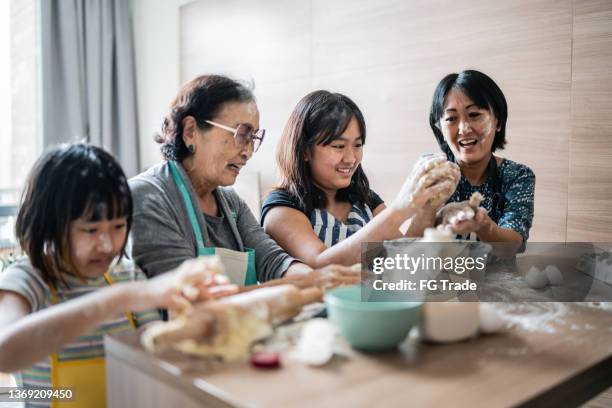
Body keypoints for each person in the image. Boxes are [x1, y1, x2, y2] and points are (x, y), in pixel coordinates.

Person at [0, 144, 228, 408]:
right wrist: (118, 298)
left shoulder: (127, 274)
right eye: (91, 229)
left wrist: (195, 316)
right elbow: (5, 354)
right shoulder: (28, 280)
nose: (107, 245)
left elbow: (155, 349)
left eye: (118, 227)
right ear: (50, 223)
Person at [129, 76, 359, 286]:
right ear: (190, 131)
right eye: (241, 134)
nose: (248, 151)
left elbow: (273, 261)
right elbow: (192, 299)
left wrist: (317, 278)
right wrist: (315, 280)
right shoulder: (146, 197)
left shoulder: (231, 204)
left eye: (253, 137)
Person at [261, 90, 459, 267]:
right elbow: (319, 264)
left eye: (357, 145)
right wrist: (401, 207)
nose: (351, 158)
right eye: (339, 146)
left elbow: (404, 260)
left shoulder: (365, 198)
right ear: (304, 150)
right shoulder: (281, 207)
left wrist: (429, 206)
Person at [429, 70, 535, 243]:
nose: (463, 129)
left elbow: (512, 245)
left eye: (474, 115)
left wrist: (483, 225)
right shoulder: (433, 173)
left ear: (498, 121)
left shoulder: (517, 175)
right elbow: (413, 240)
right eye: (451, 118)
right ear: (440, 129)